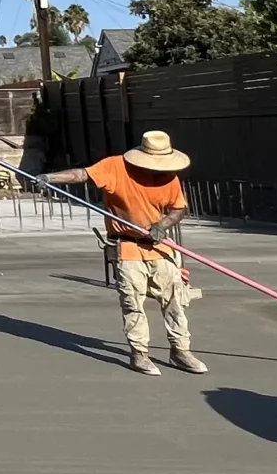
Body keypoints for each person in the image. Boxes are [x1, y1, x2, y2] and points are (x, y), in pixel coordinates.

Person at [49, 130, 205, 376]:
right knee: (132, 303)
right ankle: (139, 354)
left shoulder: (168, 177)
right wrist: (50, 178)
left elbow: (178, 209)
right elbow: (83, 174)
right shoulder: (115, 167)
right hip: (127, 246)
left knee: (175, 300)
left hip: (159, 247)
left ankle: (180, 350)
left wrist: (161, 226)